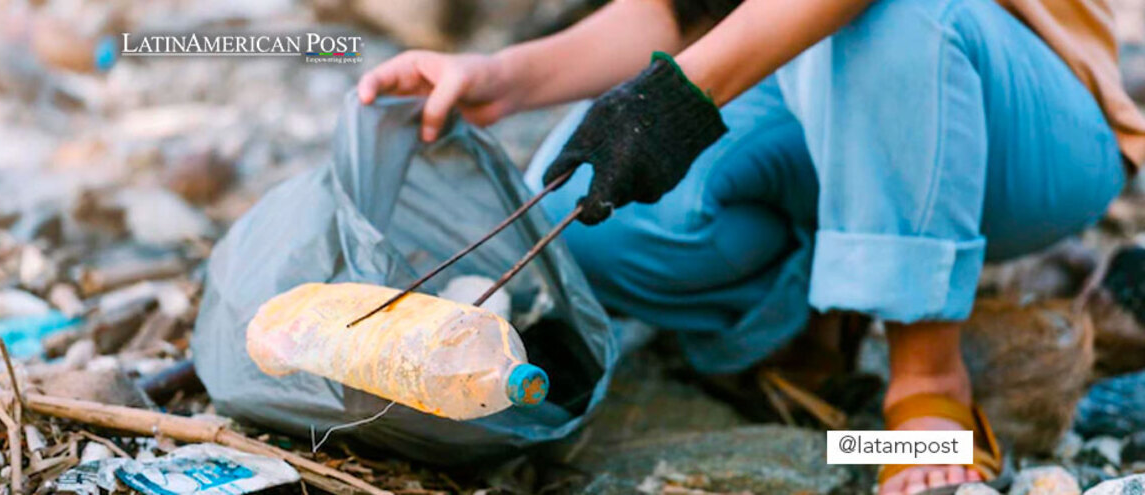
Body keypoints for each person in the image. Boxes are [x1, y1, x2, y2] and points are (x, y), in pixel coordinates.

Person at [357, 0, 1144, 493]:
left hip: (1028, 126)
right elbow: (678, 11)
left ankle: (926, 369)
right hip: (824, 105)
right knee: (582, 196)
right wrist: (504, 76)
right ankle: (812, 317)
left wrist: (674, 102)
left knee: (893, 16)